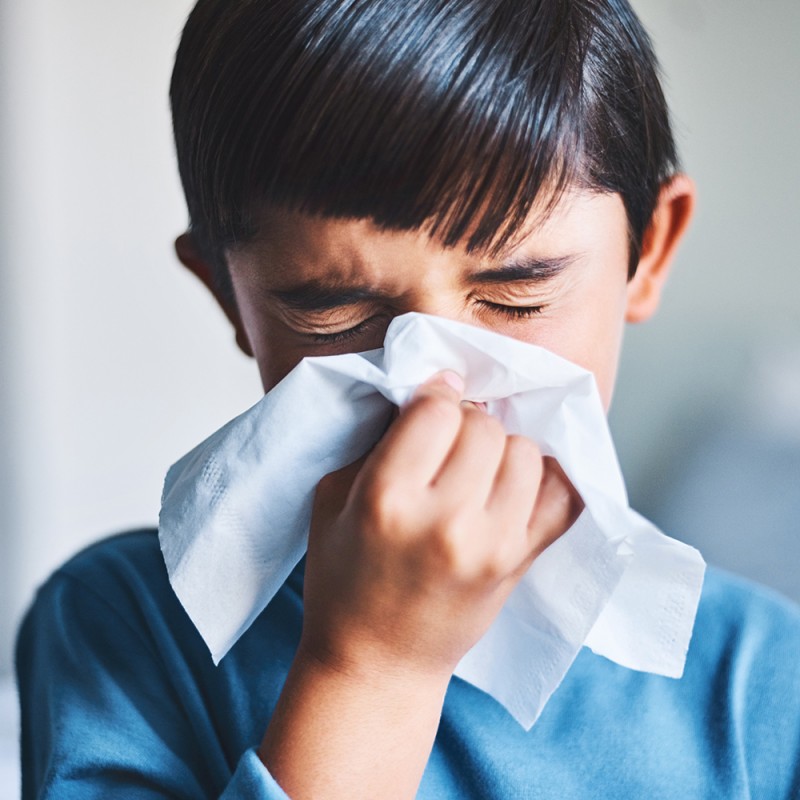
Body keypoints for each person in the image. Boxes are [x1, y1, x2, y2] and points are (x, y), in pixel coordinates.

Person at [15, 1, 800, 798]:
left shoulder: (765, 686)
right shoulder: (122, 628)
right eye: (338, 313)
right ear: (229, 298)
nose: (436, 388)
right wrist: (372, 671)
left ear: (649, 252)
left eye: (517, 297)